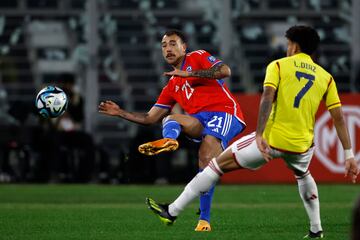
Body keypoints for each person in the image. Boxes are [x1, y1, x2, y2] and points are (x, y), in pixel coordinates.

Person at [145, 25, 359, 239]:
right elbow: (338, 118)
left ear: (294, 46)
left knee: (214, 166)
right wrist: (349, 155)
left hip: (271, 140)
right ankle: (316, 229)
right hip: (303, 145)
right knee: (303, 175)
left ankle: (172, 211)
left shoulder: (278, 65)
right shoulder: (326, 77)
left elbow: (266, 98)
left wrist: (259, 134)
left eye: (287, 44)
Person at [99, 29, 246, 231]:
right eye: (164, 45)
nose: (168, 48)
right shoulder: (172, 85)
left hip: (225, 113)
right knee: (170, 119)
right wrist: (120, 112)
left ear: (184, 47)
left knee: (206, 154)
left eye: (173, 43)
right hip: (200, 120)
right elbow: (150, 118)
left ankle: (204, 219)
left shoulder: (197, 56)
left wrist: (189, 73)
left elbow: (225, 71)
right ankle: (170, 140)